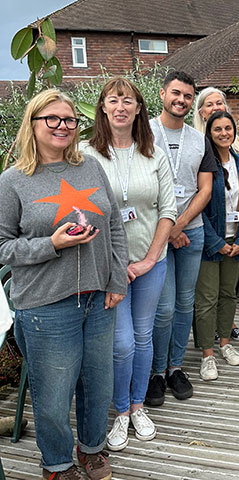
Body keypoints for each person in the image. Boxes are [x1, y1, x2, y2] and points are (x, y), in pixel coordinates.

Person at [0, 89, 128, 479]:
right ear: (33, 124)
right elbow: (2, 246)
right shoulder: (12, 181)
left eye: (69, 120)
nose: (62, 126)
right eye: (51, 119)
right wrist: (50, 244)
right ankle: (56, 463)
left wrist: (116, 279)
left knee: (97, 385)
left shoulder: (90, 167)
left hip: (98, 298)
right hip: (45, 306)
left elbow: (116, 226)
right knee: (53, 396)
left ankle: (91, 449)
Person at [80, 78, 177, 452]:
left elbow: (168, 209)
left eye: (128, 100)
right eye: (113, 100)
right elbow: (82, 211)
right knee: (120, 345)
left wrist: (151, 258)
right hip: (109, 268)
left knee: (143, 337)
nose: (120, 106)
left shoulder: (153, 153)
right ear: (102, 107)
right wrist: (115, 267)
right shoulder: (87, 154)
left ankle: (138, 406)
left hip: (151, 262)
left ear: (139, 109)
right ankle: (120, 411)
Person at [146, 71, 216, 407]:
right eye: (176, 94)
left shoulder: (199, 139)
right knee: (163, 308)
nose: (182, 101)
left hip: (191, 230)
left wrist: (180, 224)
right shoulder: (143, 132)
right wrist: (167, 228)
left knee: (184, 303)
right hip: (155, 234)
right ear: (162, 94)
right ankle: (156, 372)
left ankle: (175, 367)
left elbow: (205, 189)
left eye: (188, 96)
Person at [195, 111, 239, 380]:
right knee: (207, 299)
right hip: (213, 242)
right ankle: (207, 354)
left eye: (228, 128)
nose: (223, 133)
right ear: (209, 133)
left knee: (229, 294)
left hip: (236, 241)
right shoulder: (204, 165)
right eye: (217, 129)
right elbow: (199, 208)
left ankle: (225, 343)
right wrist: (216, 243)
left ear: (234, 131)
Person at [194, 86, 239, 157]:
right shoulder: (196, 142)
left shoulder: (238, 140)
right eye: (209, 105)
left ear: (225, 108)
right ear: (201, 113)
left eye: (219, 103)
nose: (216, 108)